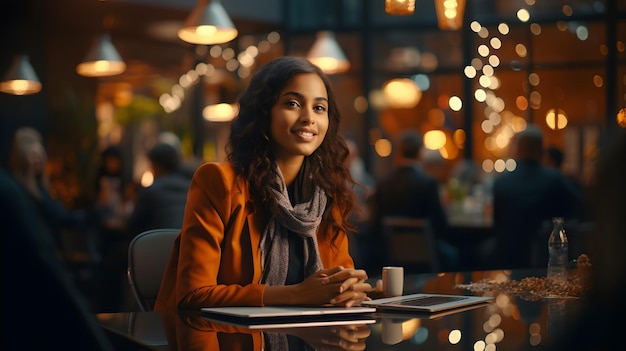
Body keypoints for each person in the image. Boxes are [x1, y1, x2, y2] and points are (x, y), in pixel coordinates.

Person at [154, 56, 372, 311]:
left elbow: (337, 284)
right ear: (263, 113)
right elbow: (193, 296)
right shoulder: (218, 182)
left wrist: (350, 292)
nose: (309, 118)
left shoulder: (326, 196)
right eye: (293, 103)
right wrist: (296, 295)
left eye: (319, 108)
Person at [492, 125, 583, 269]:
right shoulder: (555, 179)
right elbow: (580, 208)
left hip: (507, 258)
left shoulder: (500, 183)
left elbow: (497, 224)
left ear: (517, 150)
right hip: (547, 261)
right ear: (541, 151)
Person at [371, 130, 457, 272]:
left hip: (390, 255)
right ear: (420, 153)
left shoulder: (383, 184)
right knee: (457, 254)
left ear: (398, 153)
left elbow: (375, 225)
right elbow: (441, 226)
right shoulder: (428, 184)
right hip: (427, 254)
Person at [126, 141, 191, 235]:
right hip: (188, 243)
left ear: (157, 165)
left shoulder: (152, 190)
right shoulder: (191, 187)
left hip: (159, 243)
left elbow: (133, 226)